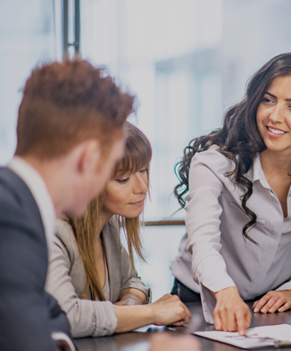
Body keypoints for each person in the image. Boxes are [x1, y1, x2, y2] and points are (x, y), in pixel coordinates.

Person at [170, 52, 291, 334]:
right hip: (203, 294)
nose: (275, 116)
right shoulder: (214, 163)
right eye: (268, 100)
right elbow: (203, 243)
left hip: (275, 299)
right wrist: (225, 291)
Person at [0, 59, 131, 350]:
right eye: (112, 166)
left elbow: (52, 315)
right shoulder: (10, 221)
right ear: (90, 158)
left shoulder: (20, 208)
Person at [45, 122, 191, 338]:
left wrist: (129, 305)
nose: (143, 187)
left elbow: (132, 281)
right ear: (90, 182)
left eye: (144, 171)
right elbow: (66, 316)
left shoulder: (108, 225)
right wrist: (150, 312)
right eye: (123, 179)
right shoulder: (54, 232)